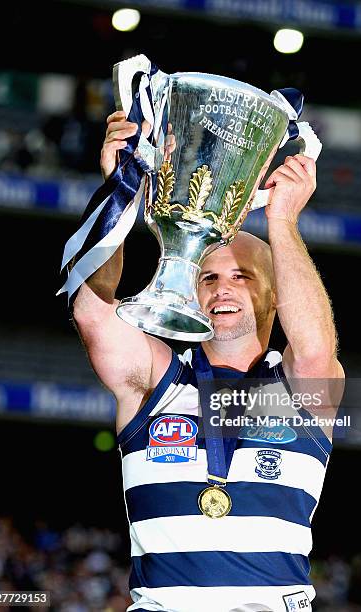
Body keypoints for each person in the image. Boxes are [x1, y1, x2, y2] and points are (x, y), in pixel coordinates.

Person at [71, 110, 345, 612]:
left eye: (243, 276)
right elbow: (94, 315)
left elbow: (314, 349)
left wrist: (282, 220)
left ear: (275, 294)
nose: (223, 288)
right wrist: (120, 191)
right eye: (209, 276)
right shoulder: (157, 379)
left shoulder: (302, 389)